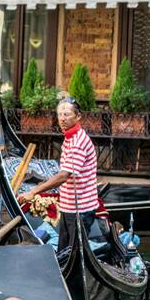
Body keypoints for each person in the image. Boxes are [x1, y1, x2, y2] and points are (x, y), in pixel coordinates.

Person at [18, 98, 99, 255]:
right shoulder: (69, 138)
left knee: (74, 254)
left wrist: (33, 192)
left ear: (78, 117)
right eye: (60, 114)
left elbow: (63, 176)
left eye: (67, 114)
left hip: (80, 209)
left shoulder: (78, 141)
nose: (62, 118)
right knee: (64, 251)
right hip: (69, 207)